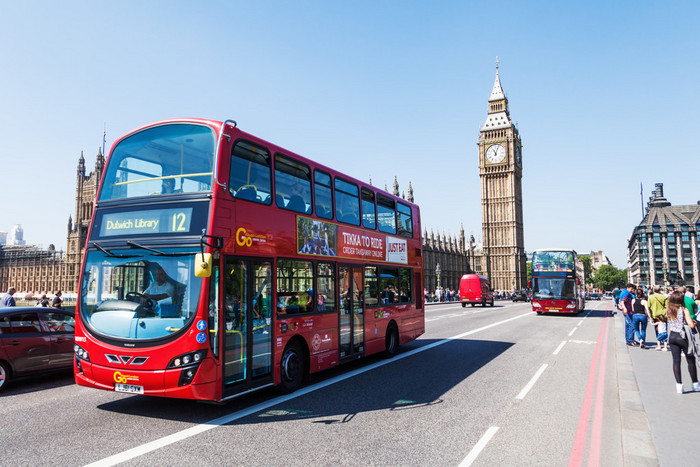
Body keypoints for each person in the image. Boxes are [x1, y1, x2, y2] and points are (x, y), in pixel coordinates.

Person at [666, 291, 700, 393]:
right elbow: (690, 325)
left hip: (672, 336)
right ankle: (695, 383)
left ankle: (679, 385)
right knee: (690, 359)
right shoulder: (684, 310)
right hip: (683, 336)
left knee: (676, 361)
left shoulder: (668, 309)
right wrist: (693, 323)